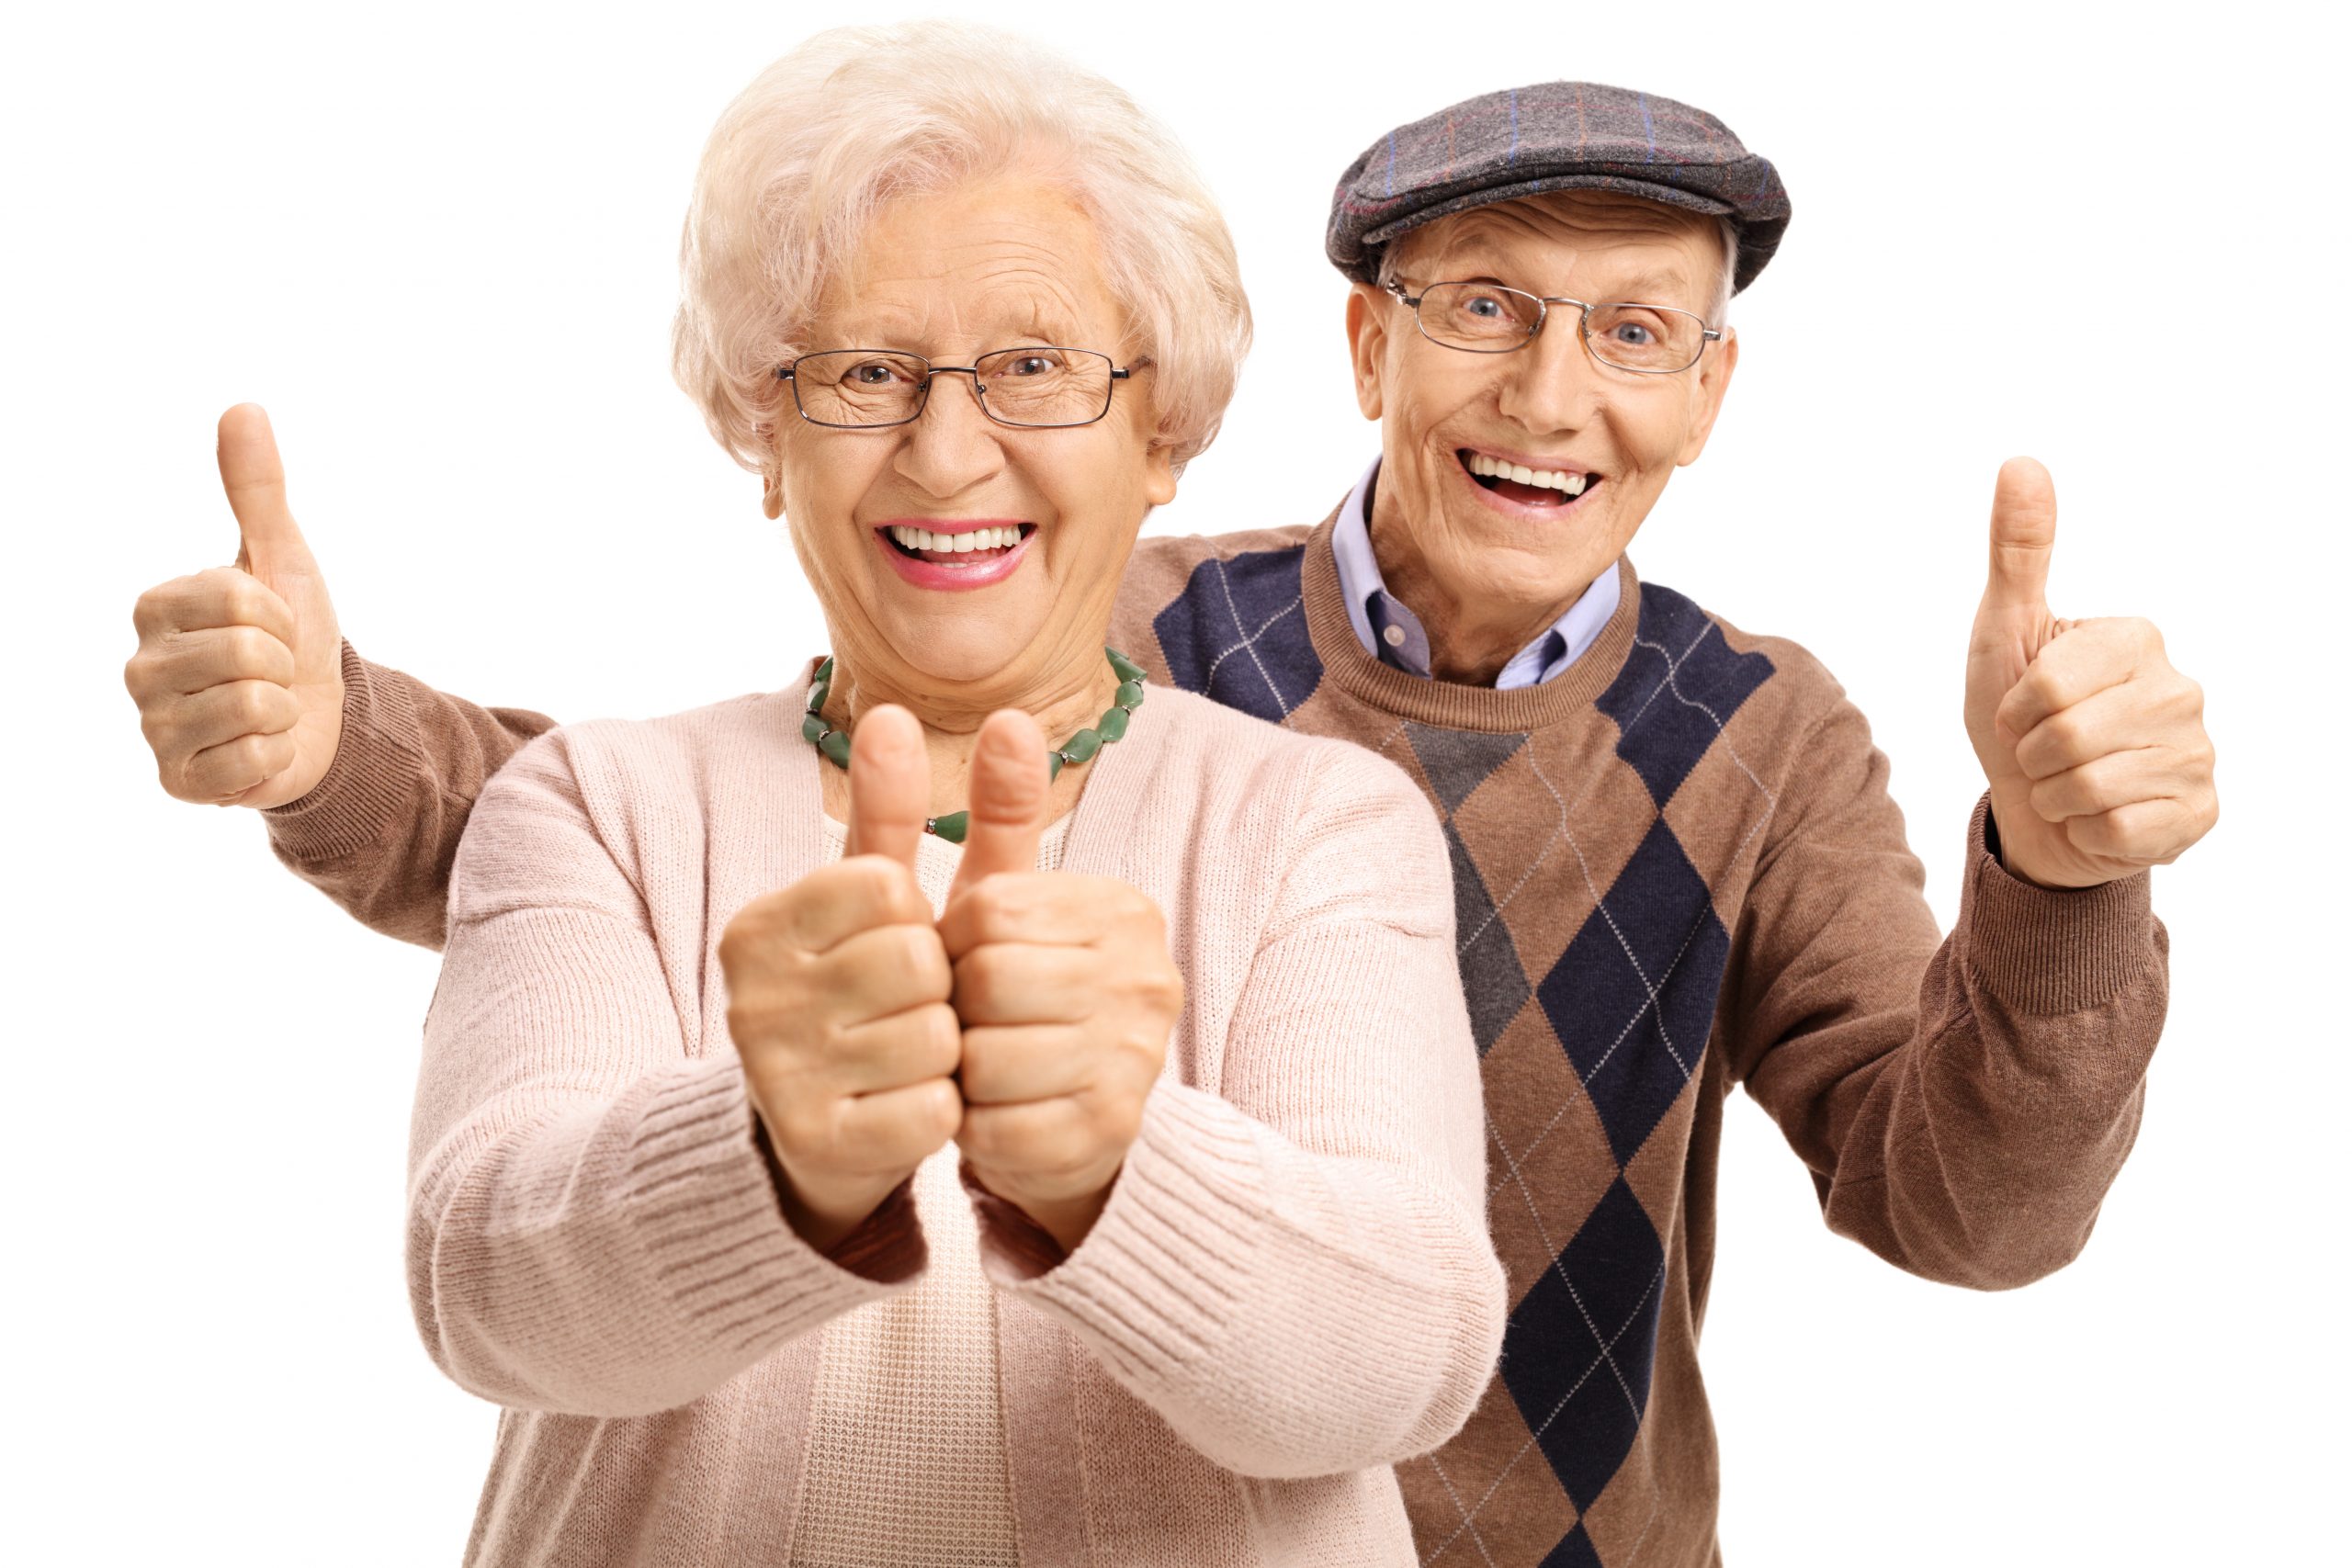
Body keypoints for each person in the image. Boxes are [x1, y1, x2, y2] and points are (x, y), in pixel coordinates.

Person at [125, 65, 2217, 1568]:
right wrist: (329, 744)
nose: (1547, 392)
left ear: (1708, 388)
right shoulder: (1080, 584)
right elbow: (659, 830)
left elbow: (1963, 1203)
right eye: (1481, 308)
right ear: (1363, 344)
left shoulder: (1753, 733)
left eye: (1632, 331)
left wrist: (2060, 878)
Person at [125, 25, 1509, 1567]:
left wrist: (1120, 1167)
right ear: (764, 434)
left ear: (1161, 431)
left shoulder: (1325, 828)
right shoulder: (594, 806)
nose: (945, 445)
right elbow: (486, 1289)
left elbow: (1408, 1354)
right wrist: (771, 1163)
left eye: (1035, 367)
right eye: (863, 372)